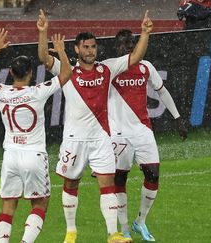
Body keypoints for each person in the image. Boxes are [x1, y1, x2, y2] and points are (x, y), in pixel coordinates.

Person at [37, 9, 153, 243]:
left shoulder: (107, 68)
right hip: (74, 139)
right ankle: (71, 231)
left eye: (93, 47)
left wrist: (145, 33)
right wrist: (43, 32)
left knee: (107, 184)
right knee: (71, 183)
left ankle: (113, 234)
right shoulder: (68, 70)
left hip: (101, 138)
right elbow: (44, 58)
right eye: (86, 47)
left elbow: (135, 57)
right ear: (77, 49)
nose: (91, 51)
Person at [0, 28, 71, 243]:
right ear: (31, 73)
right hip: (34, 155)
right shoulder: (37, 92)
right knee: (40, 203)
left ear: (11, 73)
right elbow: (66, 74)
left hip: (10, 155)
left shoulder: (1, 91)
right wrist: (61, 52)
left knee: (8, 205)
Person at [109, 29, 188, 242]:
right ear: (116, 47)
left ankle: (140, 221)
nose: (127, 47)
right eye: (123, 44)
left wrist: (177, 118)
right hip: (118, 134)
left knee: (153, 174)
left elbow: (161, 91)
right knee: (119, 179)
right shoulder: (110, 69)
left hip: (143, 129)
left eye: (130, 43)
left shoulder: (146, 67)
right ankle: (124, 228)